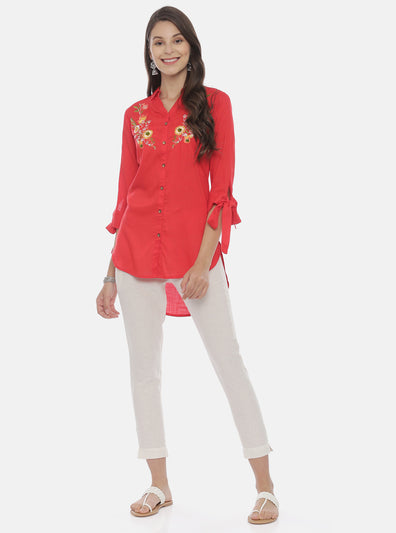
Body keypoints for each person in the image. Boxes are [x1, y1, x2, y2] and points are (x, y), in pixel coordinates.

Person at [96, 6, 279, 525]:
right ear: (149, 53)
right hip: (134, 258)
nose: (168, 49)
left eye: (177, 40)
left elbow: (221, 191)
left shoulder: (215, 104)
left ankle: (265, 486)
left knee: (229, 363)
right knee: (143, 373)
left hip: (194, 255)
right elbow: (127, 197)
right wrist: (109, 275)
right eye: (158, 42)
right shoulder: (134, 115)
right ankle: (159, 484)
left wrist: (202, 264)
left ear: (191, 47)